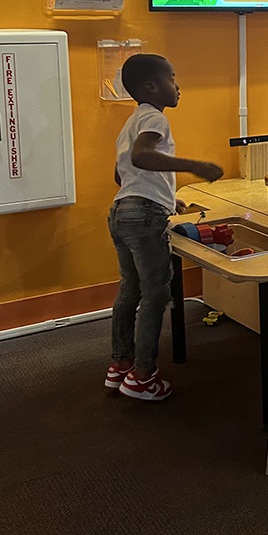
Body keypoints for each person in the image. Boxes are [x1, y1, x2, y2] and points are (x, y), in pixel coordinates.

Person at [105, 54, 223, 401]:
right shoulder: (155, 118)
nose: (178, 86)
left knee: (130, 288)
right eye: (172, 78)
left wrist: (167, 198)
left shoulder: (131, 121)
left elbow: (122, 172)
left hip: (121, 211)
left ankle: (120, 364)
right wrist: (195, 166)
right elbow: (142, 157)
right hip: (143, 216)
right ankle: (143, 375)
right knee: (157, 295)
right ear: (151, 87)